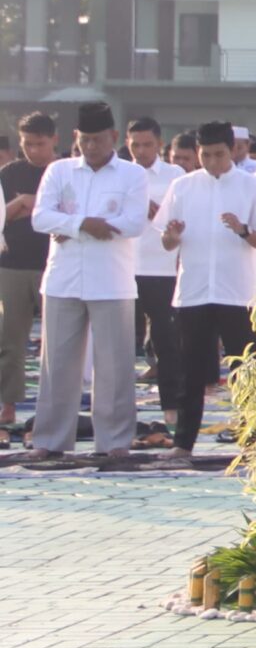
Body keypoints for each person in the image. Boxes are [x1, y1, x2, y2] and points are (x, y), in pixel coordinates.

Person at [29, 103, 148, 457]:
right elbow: (39, 218)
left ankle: (114, 444)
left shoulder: (132, 175)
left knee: (114, 367)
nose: (90, 147)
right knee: (58, 366)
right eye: (84, 140)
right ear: (75, 138)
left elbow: (133, 223)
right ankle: (50, 442)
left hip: (111, 281)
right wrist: (83, 224)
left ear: (113, 137)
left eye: (97, 140)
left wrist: (68, 224)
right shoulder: (59, 171)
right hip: (62, 280)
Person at [157, 121, 256, 452]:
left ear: (233, 150)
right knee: (191, 375)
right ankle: (183, 444)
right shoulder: (182, 186)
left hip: (236, 292)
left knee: (246, 370)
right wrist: (171, 234)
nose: (212, 161)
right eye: (205, 154)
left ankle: (253, 441)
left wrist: (242, 230)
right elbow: (167, 243)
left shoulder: (251, 187)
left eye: (219, 154)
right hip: (194, 291)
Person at [0, 111, 58, 429]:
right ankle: (9, 403)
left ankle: (54, 406)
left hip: (54, 265)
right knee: (10, 339)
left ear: (54, 140)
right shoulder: (8, 173)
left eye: (39, 144)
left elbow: (65, 213)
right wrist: (21, 202)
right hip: (11, 266)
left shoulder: (64, 172)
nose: (33, 150)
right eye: (27, 144)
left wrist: (34, 207)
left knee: (58, 341)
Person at [123, 117, 181, 413]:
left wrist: (160, 216)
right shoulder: (117, 173)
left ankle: (170, 405)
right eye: (135, 145)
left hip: (161, 268)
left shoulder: (175, 175)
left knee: (165, 341)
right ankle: (117, 408)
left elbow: (182, 219)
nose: (141, 150)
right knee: (119, 342)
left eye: (147, 144)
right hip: (120, 267)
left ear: (160, 144)